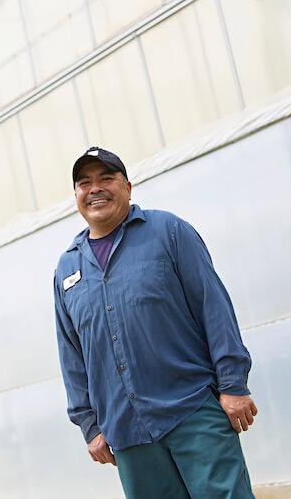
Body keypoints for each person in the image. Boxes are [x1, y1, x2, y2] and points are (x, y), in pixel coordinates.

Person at [53, 146, 258, 498]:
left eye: (106, 178)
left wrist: (233, 384)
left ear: (128, 187)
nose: (95, 188)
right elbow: (72, 354)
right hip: (128, 431)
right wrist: (89, 425)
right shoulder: (66, 269)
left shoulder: (169, 232)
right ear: (76, 195)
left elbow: (213, 307)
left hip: (192, 411)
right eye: (84, 183)